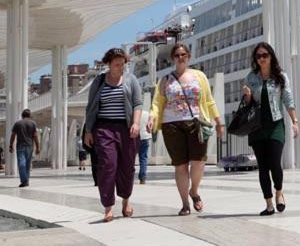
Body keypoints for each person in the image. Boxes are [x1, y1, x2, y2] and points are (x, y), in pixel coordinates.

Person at [147, 43, 224, 216]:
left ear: (188, 56)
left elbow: (210, 100)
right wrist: (152, 117)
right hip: (172, 125)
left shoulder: (199, 76)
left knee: (198, 162)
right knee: (180, 166)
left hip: (196, 123)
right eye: (177, 55)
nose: (181, 57)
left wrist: (219, 122)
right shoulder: (165, 79)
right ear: (173, 58)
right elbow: (158, 102)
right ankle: (184, 204)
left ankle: (194, 191)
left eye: (183, 54)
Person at [84, 47, 142, 222]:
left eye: (122, 64)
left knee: (127, 167)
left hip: (126, 129)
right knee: (108, 165)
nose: (120, 67)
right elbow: (91, 106)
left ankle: (125, 201)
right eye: (116, 64)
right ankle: (108, 207)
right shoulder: (99, 81)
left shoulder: (131, 80)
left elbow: (137, 103)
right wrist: (88, 130)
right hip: (104, 128)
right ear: (108, 64)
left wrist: (136, 123)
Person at [242, 41, 299, 216]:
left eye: (265, 55)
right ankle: (268, 204)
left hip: (275, 125)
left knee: (275, 162)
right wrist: (248, 96)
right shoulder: (251, 77)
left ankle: (279, 193)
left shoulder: (280, 76)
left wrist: (294, 121)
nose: (261, 59)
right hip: (257, 127)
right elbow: (247, 105)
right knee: (263, 166)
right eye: (258, 56)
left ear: (271, 56)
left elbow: (288, 100)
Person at [9, 109, 39, 188]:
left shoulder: (17, 123)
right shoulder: (33, 123)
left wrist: (11, 145)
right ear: (29, 116)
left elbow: (13, 135)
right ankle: (26, 180)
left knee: (21, 163)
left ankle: (25, 180)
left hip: (20, 146)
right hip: (30, 146)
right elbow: (35, 136)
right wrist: (38, 147)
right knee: (27, 164)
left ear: (22, 115)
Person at [137, 110, 151, 184]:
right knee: (143, 158)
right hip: (145, 137)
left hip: (135, 137)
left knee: (131, 158)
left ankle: (129, 176)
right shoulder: (147, 113)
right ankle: (142, 178)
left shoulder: (134, 113)